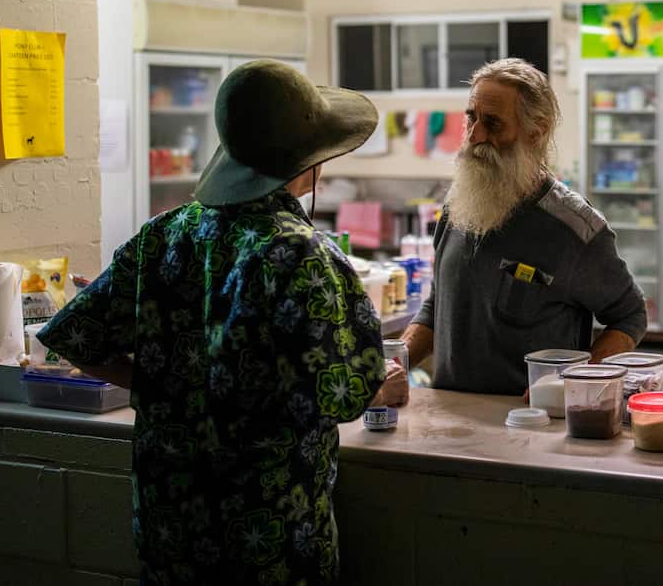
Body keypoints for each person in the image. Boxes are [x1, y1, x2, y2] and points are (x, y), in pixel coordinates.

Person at [38, 60, 408, 586]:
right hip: (270, 533)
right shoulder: (301, 253)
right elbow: (341, 395)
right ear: (309, 165)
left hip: (170, 527)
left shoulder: (163, 235)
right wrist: (385, 391)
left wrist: (160, 386)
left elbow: (79, 339)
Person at [401, 58, 648, 395]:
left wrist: (576, 382)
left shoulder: (575, 231)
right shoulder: (458, 205)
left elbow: (630, 314)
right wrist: (396, 361)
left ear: (536, 131)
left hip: (531, 432)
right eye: (471, 118)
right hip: (449, 428)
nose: (475, 136)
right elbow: (438, 305)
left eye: (493, 124)